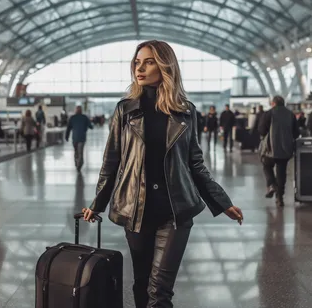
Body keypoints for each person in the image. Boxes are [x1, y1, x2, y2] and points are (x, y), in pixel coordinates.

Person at [81, 40, 243, 308]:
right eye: (137, 62)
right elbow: (111, 160)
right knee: (141, 284)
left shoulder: (185, 111)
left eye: (149, 61)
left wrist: (222, 202)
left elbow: (195, 165)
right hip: (136, 210)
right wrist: (97, 203)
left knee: (160, 291)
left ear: (165, 65)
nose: (139, 68)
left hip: (174, 213)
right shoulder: (126, 110)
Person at [258, 96, 299, 206]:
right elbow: (296, 132)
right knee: (281, 173)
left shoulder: (269, 113)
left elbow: (261, 130)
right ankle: (280, 198)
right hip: (285, 149)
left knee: (266, 165)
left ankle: (271, 185)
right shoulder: (290, 114)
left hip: (270, 149)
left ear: (273, 103)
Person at [65, 105, 93, 172]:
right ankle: (79, 165)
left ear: (76, 110)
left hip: (75, 138)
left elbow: (68, 128)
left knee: (76, 151)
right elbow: (91, 126)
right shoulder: (84, 117)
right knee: (80, 152)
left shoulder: (72, 117)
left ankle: (76, 163)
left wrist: (66, 136)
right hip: (82, 138)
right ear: (81, 110)